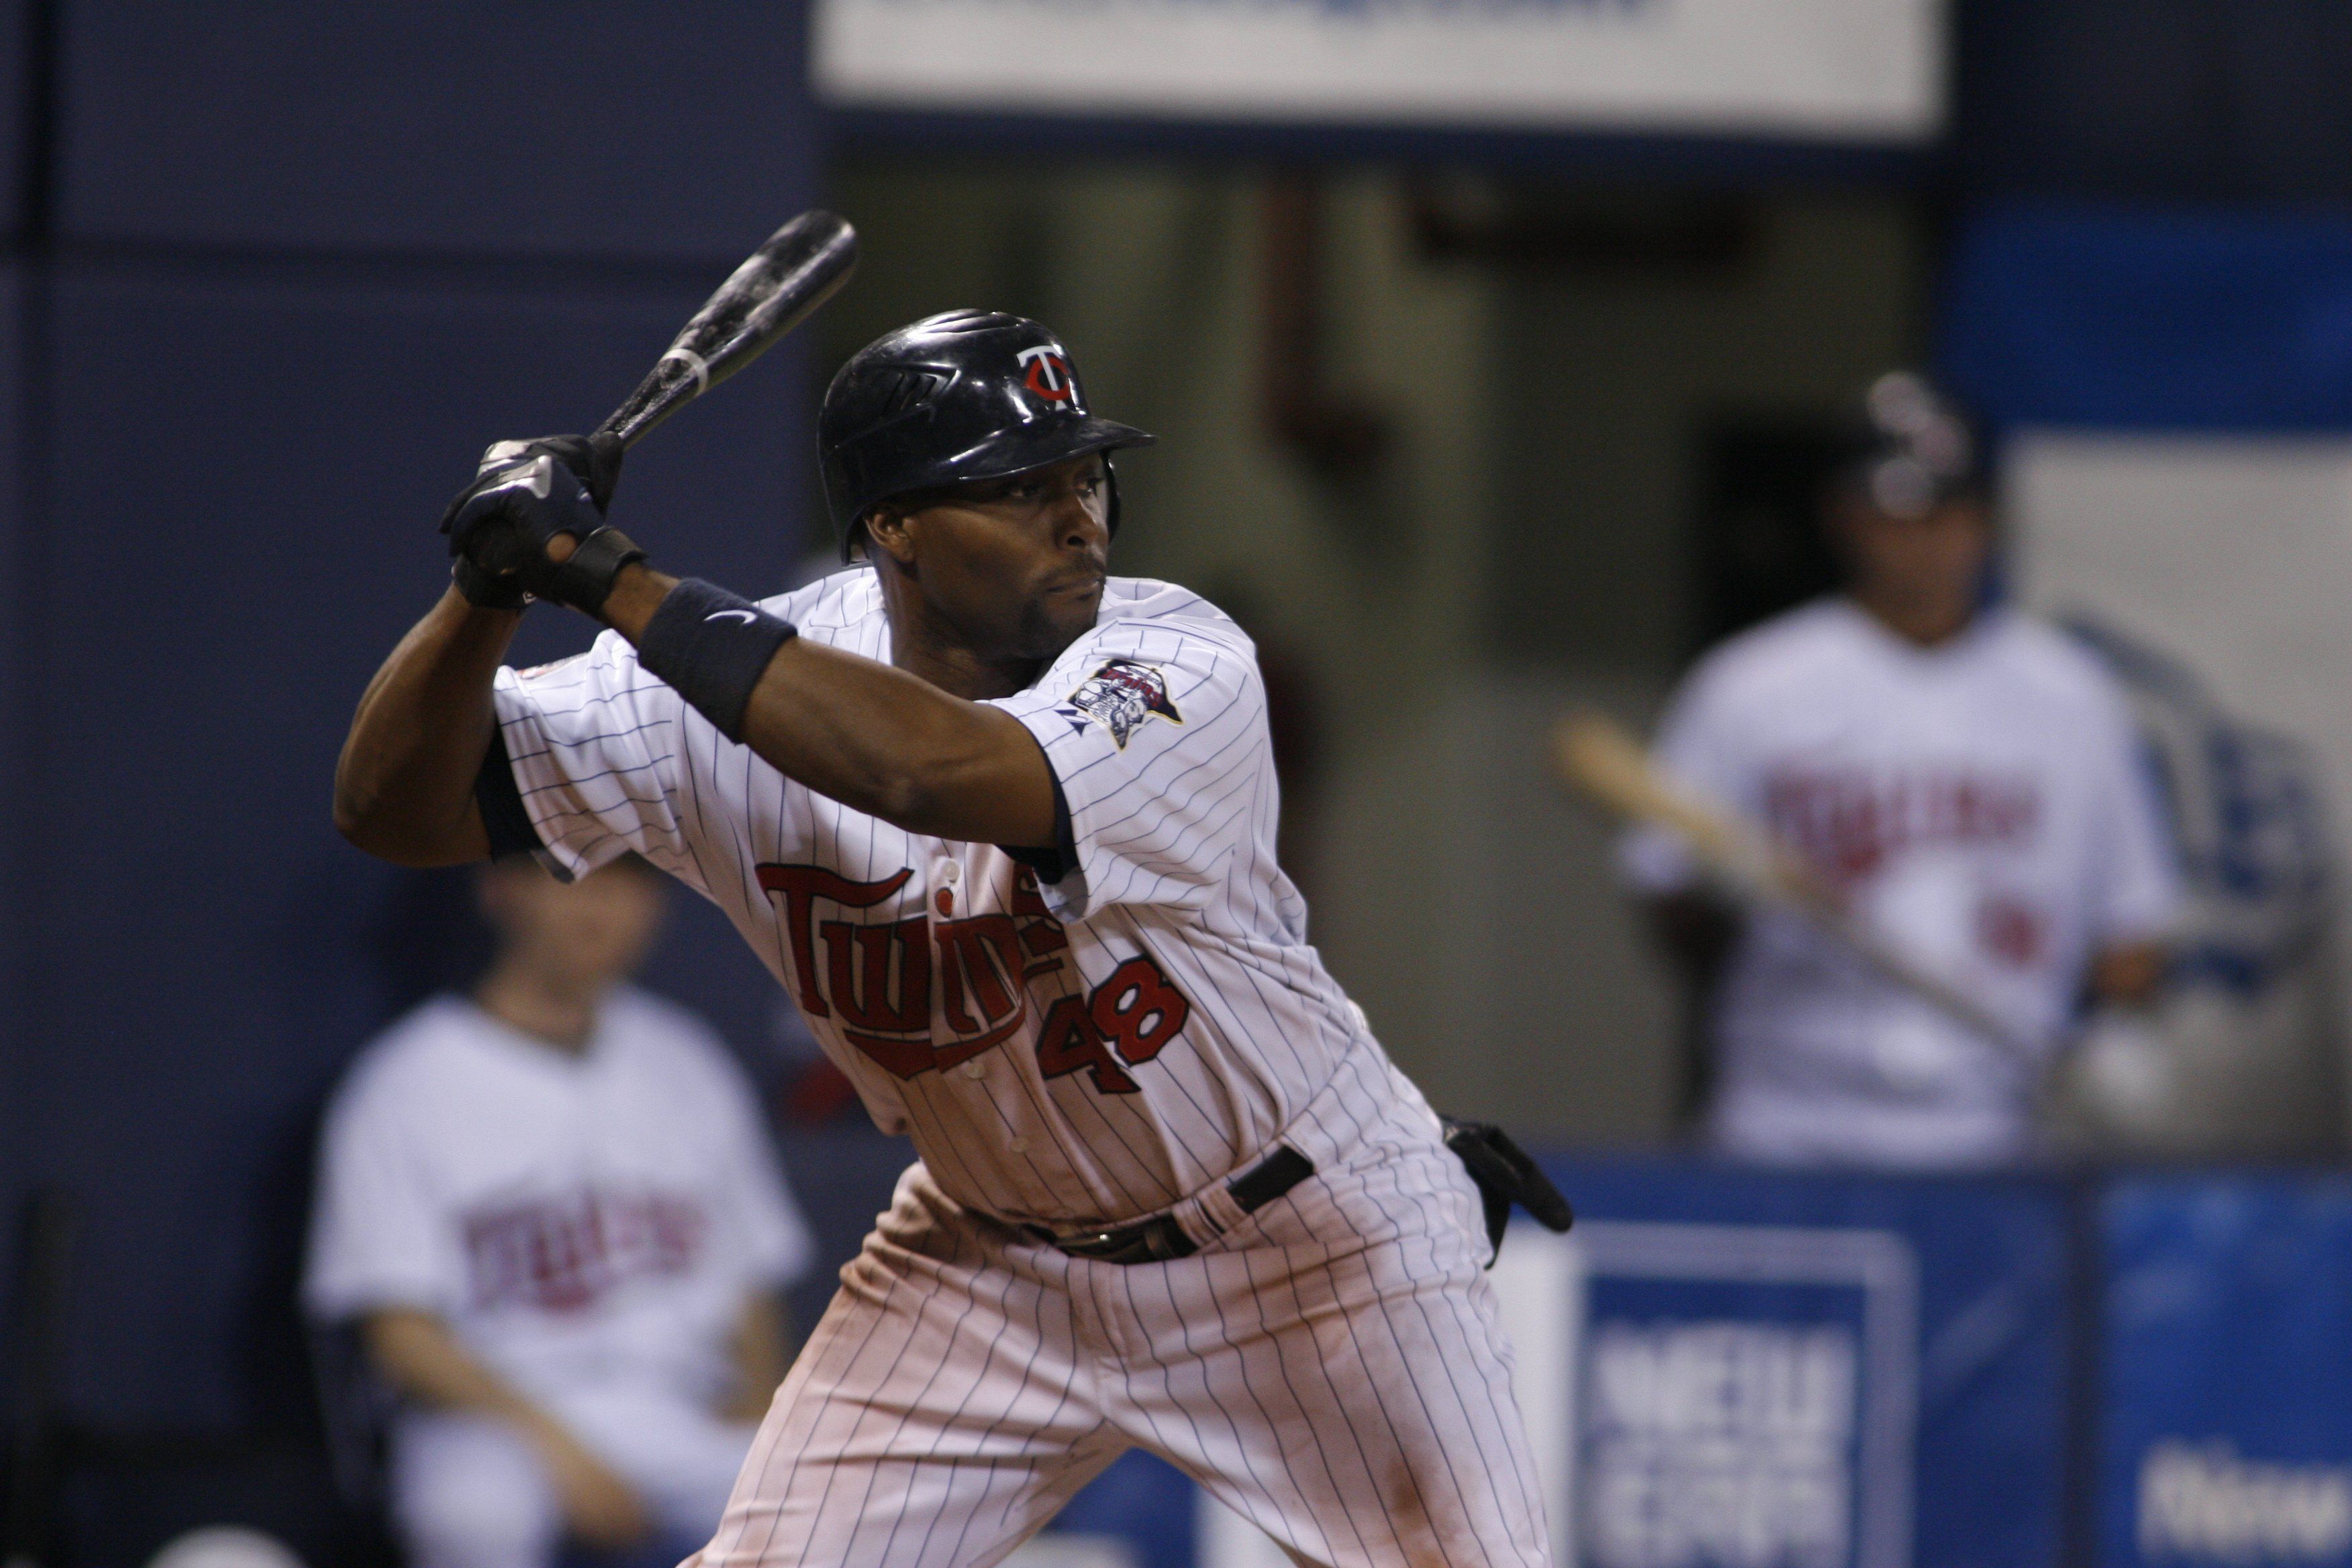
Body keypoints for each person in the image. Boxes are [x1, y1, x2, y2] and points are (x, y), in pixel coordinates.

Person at [333, 309, 1567, 1568]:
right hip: (986, 1259)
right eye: (1018, 488)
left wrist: (606, 576)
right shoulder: (704, 689)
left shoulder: (1175, 662)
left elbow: (933, 773)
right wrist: (484, 590)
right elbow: (391, 808)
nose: (1075, 515)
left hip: (1298, 1233)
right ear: (893, 528)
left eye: (1082, 474)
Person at [1620, 373, 2180, 1169]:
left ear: (1985, 519)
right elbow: (1666, 899)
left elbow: (2132, 929)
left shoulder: (2070, 695)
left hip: (1994, 1130)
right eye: (1891, 512)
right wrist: (1722, 889)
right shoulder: (1750, 683)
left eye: (1941, 512)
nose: (1917, 538)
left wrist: (2115, 1035)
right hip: (1786, 1124)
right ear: (1842, 517)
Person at [305, 854, 814, 1568]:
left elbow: (748, 1275)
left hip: (672, 1408)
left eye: (634, 882)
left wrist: (764, 1414)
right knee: (473, 1514)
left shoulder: (686, 1060)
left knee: (825, 1495)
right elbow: (400, 1330)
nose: (604, 909)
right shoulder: (404, 1083)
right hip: (495, 1424)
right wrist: (560, 1450)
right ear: (503, 890)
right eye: (579, 878)